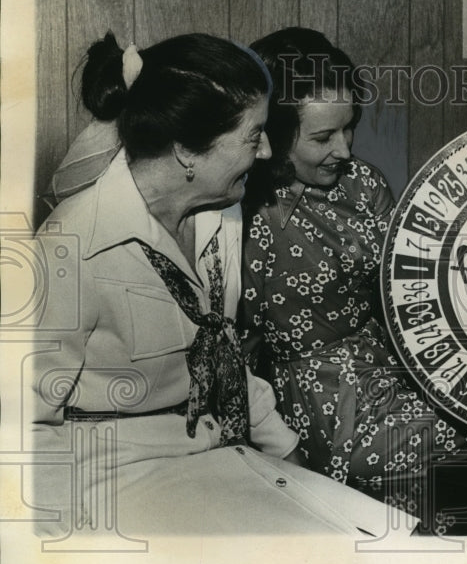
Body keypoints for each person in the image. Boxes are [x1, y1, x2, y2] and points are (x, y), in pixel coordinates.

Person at [30, 31, 411, 537]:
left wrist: (288, 455)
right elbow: (22, 426)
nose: (268, 150)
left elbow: (223, 353)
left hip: (211, 452)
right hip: (113, 481)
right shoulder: (71, 246)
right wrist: (63, 549)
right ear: (188, 149)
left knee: (385, 534)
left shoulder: (221, 217)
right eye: (254, 136)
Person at [240, 27, 467, 532]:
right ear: (274, 133)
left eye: (349, 129)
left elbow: (412, 288)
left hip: (388, 370)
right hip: (303, 401)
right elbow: (239, 346)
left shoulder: (363, 184)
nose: (344, 150)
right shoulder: (242, 207)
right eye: (322, 137)